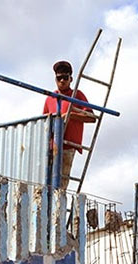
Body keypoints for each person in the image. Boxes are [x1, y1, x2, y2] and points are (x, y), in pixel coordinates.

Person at [43, 60, 96, 190]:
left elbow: (91, 117)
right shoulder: (50, 98)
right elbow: (44, 121)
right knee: (45, 182)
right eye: (59, 78)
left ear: (70, 79)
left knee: (60, 185)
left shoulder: (77, 95)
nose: (62, 81)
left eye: (65, 77)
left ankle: (56, 208)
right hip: (51, 146)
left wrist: (70, 115)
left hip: (68, 145)